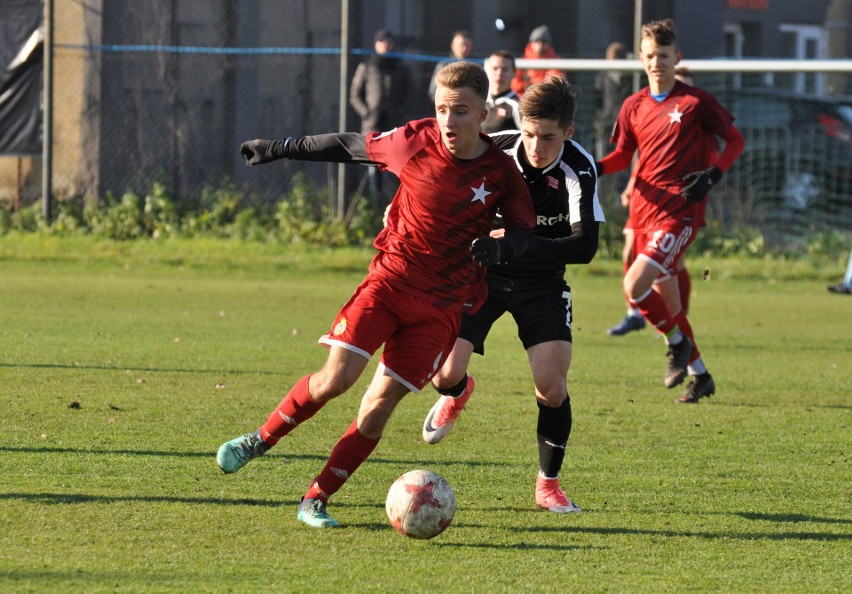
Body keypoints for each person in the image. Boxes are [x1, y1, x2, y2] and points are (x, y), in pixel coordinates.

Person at [217, 61, 536, 529]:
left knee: (378, 407)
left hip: (441, 309)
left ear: (484, 114)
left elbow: (524, 232)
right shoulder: (413, 141)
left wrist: (501, 245)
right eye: (443, 109)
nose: (450, 121)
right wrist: (281, 147)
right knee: (335, 381)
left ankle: (315, 498)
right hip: (389, 284)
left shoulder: (501, 171)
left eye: (462, 111)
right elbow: (349, 146)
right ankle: (260, 439)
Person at [422, 75, 605, 513]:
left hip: (541, 283)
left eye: (548, 137)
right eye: (528, 133)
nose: (536, 147)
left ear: (568, 133)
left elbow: (585, 246)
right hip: (483, 277)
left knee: (552, 387)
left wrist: (517, 243)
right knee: (443, 376)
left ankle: (548, 485)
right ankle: (459, 392)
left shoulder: (578, 168)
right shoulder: (497, 147)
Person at [596, 19, 745, 404]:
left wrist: (712, 176)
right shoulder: (634, 105)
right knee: (671, 307)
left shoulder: (695, 102)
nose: (656, 63)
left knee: (634, 284)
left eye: (663, 56)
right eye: (650, 56)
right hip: (644, 213)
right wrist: (592, 166)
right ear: (641, 59)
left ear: (676, 57)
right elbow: (620, 157)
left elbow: (735, 140)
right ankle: (701, 375)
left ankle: (677, 345)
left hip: (680, 213)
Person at [607, 66, 700, 336]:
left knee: (673, 265)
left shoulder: (695, 124)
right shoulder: (655, 114)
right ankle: (634, 313)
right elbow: (642, 157)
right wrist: (630, 185)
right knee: (629, 253)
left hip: (676, 206)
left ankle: (679, 317)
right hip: (646, 199)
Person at [349, 29, 413, 197]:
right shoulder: (367, 66)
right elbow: (355, 95)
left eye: (389, 42)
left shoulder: (401, 67)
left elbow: (410, 93)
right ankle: (371, 198)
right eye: (382, 41)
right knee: (371, 161)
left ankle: (392, 197)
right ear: (376, 44)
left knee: (394, 159)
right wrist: (366, 113)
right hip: (373, 122)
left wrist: (400, 112)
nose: (386, 45)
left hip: (394, 123)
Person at [593, 42, 633, 158]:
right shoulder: (602, 77)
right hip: (606, 122)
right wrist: (599, 118)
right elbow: (597, 100)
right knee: (604, 155)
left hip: (624, 122)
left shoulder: (630, 77)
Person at [512, 25, 564, 96]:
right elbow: (515, 85)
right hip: (526, 99)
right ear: (531, 43)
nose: (540, 45)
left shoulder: (556, 62)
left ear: (549, 44)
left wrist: (532, 84)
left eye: (544, 42)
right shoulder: (523, 62)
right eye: (537, 41)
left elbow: (555, 85)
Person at [481, 50, 521, 133]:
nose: (499, 74)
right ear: (487, 71)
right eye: (495, 68)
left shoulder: (517, 106)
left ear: (514, 73)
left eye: (505, 69)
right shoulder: (480, 102)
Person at [428, 30, 474, 102]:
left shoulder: (476, 66)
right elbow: (433, 90)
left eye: (467, 45)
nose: (464, 49)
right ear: (453, 46)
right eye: (461, 45)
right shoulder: (444, 65)